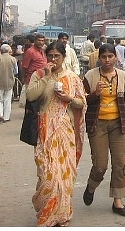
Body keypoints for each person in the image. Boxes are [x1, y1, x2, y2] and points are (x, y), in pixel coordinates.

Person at [26, 42, 87, 226]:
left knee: (65, 174)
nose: (53, 59)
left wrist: (69, 98)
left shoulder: (72, 78)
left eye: (57, 56)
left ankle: (61, 214)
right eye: (50, 56)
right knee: (48, 174)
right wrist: (46, 76)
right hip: (45, 130)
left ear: (63, 57)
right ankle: (46, 210)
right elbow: (31, 96)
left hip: (65, 130)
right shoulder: (39, 75)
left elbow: (81, 103)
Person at [82, 43, 125, 217]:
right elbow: (81, 101)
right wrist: (94, 94)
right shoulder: (90, 76)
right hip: (97, 125)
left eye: (110, 56)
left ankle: (118, 202)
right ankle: (91, 186)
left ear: (116, 57)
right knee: (100, 165)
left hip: (118, 125)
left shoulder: (122, 76)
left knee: (119, 164)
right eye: (103, 57)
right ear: (99, 58)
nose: (107, 60)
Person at [0, 44, 18, 124]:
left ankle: (0, 116)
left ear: (1, 50)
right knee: (7, 100)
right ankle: (6, 117)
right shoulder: (13, 59)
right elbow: (16, 71)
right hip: (10, 82)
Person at [21, 33, 47, 102]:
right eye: (39, 40)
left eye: (42, 41)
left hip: (41, 80)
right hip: (31, 80)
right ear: (35, 41)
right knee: (31, 102)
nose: (41, 42)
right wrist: (24, 78)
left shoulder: (43, 51)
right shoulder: (30, 52)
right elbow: (24, 67)